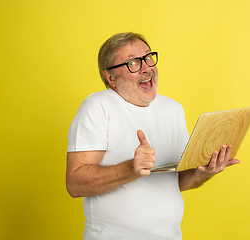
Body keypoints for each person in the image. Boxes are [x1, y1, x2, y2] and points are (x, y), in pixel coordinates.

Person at [66, 32, 240, 240]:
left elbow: (177, 181)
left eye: (148, 58)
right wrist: (131, 168)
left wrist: (204, 173)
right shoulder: (98, 106)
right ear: (111, 77)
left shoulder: (173, 109)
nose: (147, 67)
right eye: (133, 63)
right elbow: (75, 184)